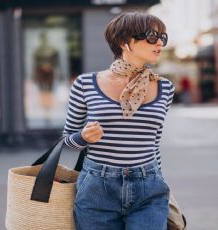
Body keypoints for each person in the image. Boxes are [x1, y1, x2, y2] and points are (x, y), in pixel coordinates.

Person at [62, 12, 175, 230]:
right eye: (151, 36)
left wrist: (159, 182)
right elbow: (67, 141)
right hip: (97, 188)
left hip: (148, 187)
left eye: (163, 37)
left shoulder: (165, 87)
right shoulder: (86, 84)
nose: (159, 42)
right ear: (124, 42)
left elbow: (154, 143)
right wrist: (83, 137)